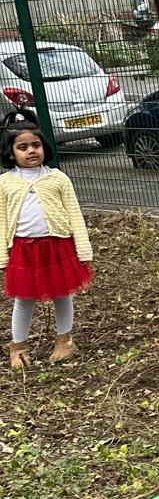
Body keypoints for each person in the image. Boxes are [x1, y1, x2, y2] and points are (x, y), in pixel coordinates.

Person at [1, 111, 94, 369]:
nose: (31, 151)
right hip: (24, 251)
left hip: (57, 248)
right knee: (24, 299)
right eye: (23, 147)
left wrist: (83, 248)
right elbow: (1, 221)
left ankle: (64, 341)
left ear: (44, 147)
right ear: (11, 153)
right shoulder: (5, 183)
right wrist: (2, 255)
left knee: (62, 294)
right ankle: (18, 348)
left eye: (36, 145)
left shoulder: (57, 178)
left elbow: (74, 214)